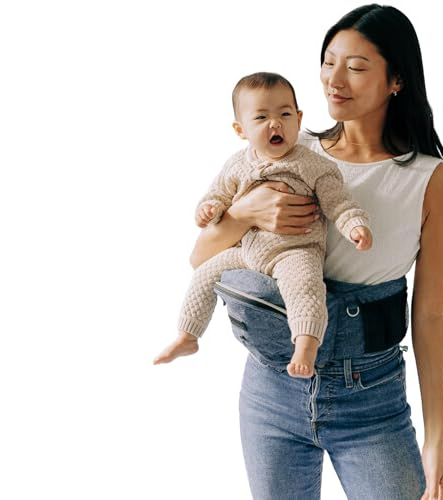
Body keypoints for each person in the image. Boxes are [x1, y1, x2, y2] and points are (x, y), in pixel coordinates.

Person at [185, 4, 443, 499]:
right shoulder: (288, 147)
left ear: (396, 80)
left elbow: (431, 313)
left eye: (356, 66)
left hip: (371, 400)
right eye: (328, 62)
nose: (334, 79)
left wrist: (436, 437)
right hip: (271, 389)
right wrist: (243, 214)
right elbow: (200, 258)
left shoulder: (427, 181)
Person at [153, 72, 374, 378]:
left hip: (294, 250)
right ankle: (188, 336)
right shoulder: (236, 165)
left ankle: (305, 346)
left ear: (299, 118)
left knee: (305, 287)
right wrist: (208, 210)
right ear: (240, 129)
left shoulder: (314, 166)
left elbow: (339, 203)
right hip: (247, 251)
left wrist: (355, 226)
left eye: (285, 114)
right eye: (261, 117)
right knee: (205, 273)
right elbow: (217, 196)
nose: (275, 124)